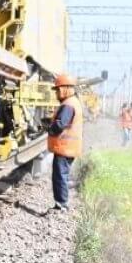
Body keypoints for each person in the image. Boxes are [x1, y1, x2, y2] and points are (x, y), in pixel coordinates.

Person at [47, 74, 82, 210]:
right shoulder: (73, 102)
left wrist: (49, 129)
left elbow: (60, 124)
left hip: (65, 147)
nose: (56, 93)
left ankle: (61, 205)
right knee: (62, 175)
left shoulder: (68, 104)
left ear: (65, 89)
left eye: (57, 89)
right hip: (69, 148)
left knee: (60, 176)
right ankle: (61, 203)